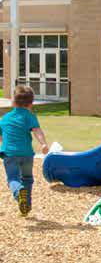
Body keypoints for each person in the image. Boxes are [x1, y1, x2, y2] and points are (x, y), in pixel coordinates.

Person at [0, 85, 49, 216]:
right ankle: (26, 205)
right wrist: (43, 144)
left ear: (13, 101)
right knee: (27, 178)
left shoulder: (5, 118)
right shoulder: (30, 116)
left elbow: (1, 137)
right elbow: (37, 131)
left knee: (13, 179)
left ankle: (19, 192)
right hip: (27, 154)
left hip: (10, 154)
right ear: (31, 104)